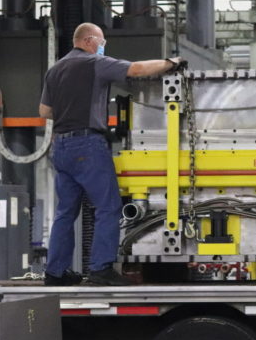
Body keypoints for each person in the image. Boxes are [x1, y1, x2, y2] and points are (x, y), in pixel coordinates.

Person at [39, 22, 183, 286]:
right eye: (102, 41)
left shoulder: (54, 70)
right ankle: (100, 269)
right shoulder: (95, 62)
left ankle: (55, 273)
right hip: (87, 145)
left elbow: (44, 112)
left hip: (60, 146)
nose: (104, 46)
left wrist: (71, 105)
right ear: (89, 41)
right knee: (108, 207)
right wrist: (170, 62)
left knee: (65, 212)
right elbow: (137, 69)